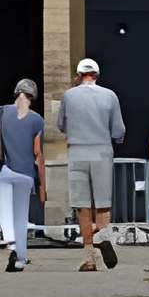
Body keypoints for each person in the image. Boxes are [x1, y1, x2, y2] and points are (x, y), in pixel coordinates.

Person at [56, 58, 124, 272]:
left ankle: (89, 258)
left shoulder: (69, 95)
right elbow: (118, 130)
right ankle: (102, 235)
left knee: (82, 206)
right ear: (97, 74)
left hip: (77, 151)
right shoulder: (110, 95)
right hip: (102, 150)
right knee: (103, 203)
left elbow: (61, 124)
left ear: (78, 75)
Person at [0, 77, 48, 272]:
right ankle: (21, 257)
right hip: (25, 173)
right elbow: (38, 154)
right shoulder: (37, 119)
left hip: (1, 171)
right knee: (20, 215)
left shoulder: (1, 111)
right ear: (33, 96)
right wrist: (42, 185)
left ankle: (11, 245)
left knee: (5, 210)